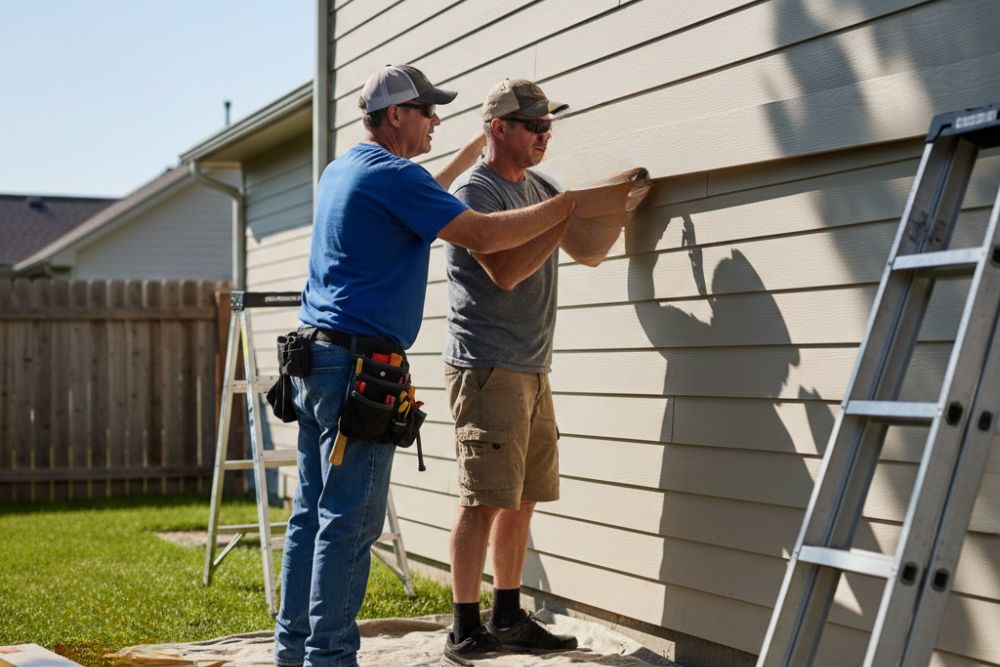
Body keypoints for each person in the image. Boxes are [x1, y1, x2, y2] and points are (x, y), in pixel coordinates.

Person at [273, 65, 581, 667]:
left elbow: (421, 195)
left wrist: (471, 149)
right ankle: (330, 658)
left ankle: (295, 651)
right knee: (348, 525)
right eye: (427, 111)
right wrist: (565, 207)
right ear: (396, 116)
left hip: (314, 362)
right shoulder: (391, 176)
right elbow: (483, 236)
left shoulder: (348, 169)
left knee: (310, 518)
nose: (436, 118)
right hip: (354, 369)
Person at [442, 79, 650, 663]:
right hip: (486, 367)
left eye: (547, 125)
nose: (544, 134)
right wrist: (564, 215)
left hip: (533, 365)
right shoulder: (472, 192)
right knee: (482, 499)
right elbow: (506, 272)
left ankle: (506, 617)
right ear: (497, 128)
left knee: (522, 496)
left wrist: (618, 202)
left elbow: (586, 248)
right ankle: (464, 629)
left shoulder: (539, 188)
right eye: (533, 125)